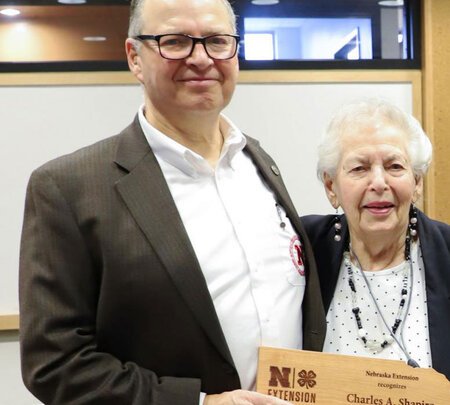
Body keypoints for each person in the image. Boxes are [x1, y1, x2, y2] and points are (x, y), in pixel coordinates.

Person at [18, 0, 325, 404]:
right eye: (175, 41)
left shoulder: (258, 161)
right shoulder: (67, 188)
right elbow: (55, 363)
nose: (201, 59)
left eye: (217, 41)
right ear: (135, 57)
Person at [302, 99, 450, 405]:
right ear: (331, 187)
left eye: (394, 166)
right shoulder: (304, 252)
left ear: (417, 183)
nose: (378, 182)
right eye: (359, 168)